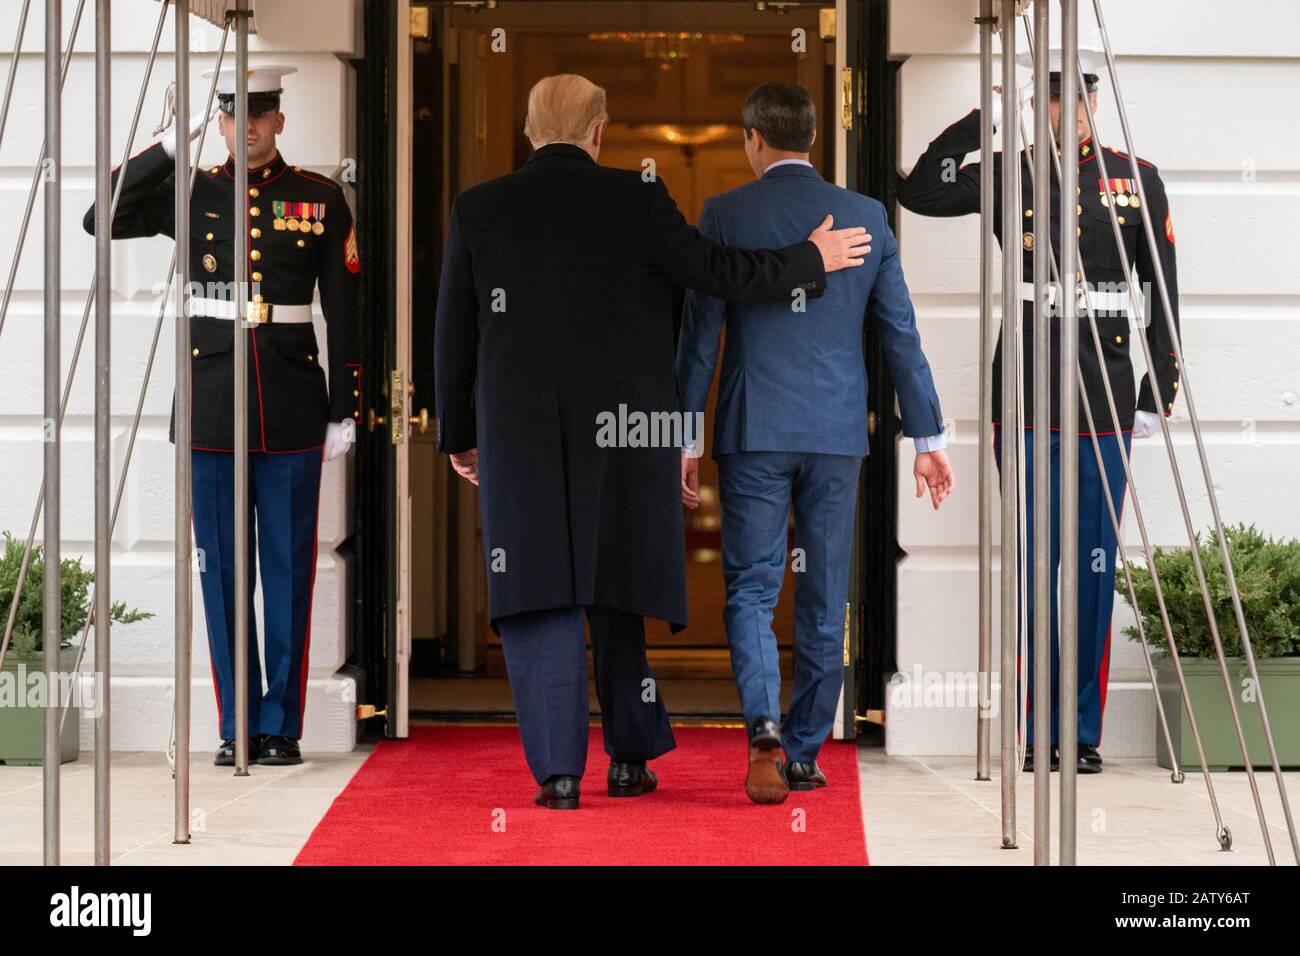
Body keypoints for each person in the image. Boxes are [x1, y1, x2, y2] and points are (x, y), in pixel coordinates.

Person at [434, 74, 872, 810]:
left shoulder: (479, 208)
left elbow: (456, 332)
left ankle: (559, 774)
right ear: (600, 132)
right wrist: (809, 259)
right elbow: (718, 273)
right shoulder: (639, 198)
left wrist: (460, 433)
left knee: (540, 590)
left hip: (523, 435)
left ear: (528, 131)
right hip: (628, 435)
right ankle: (631, 756)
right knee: (616, 587)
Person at [896, 48, 1181, 774]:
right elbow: (922, 193)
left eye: (1077, 99)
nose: (1066, 112)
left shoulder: (1136, 179)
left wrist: (1159, 391)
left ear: (1092, 103)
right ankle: (1034, 728)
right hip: (1025, 393)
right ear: (1038, 105)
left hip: (1107, 396)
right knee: (1032, 563)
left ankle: (1080, 731)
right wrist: (979, 121)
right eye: (1051, 100)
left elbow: (1165, 296)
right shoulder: (1011, 170)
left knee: (1090, 567)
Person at [677, 81, 953, 804]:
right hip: (835, 434)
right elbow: (900, 336)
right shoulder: (865, 218)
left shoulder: (725, 214)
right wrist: (926, 436)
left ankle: (762, 720)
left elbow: (699, 340)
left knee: (752, 586)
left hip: (753, 431)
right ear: (813, 140)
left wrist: (681, 434)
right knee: (826, 596)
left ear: (752, 140)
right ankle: (801, 752)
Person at [83, 65, 363, 766]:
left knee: (290, 573)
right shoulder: (193, 190)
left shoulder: (321, 198)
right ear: (223, 121)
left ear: (280, 118)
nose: (251, 127)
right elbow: (99, 216)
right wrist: (166, 149)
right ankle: (235, 721)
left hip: (293, 408)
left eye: (262, 113)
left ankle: (281, 727)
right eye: (236, 115)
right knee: (222, 574)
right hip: (211, 408)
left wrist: (342, 411)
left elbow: (349, 312)